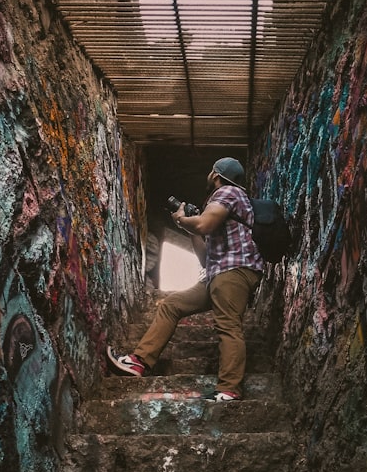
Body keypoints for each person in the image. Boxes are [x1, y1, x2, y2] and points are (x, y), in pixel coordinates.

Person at [106, 157, 264, 401]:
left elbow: (203, 223)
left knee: (228, 325)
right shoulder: (225, 203)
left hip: (234, 271)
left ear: (215, 174)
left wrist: (183, 219)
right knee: (171, 305)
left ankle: (229, 389)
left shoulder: (228, 192)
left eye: (212, 171)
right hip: (216, 273)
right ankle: (139, 361)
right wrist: (186, 226)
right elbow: (204, 257)